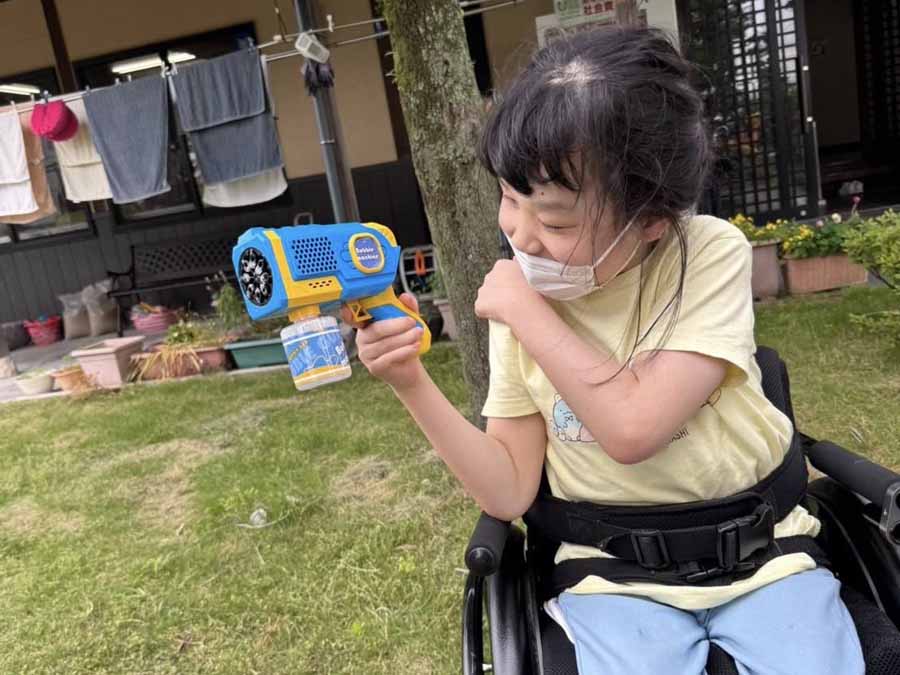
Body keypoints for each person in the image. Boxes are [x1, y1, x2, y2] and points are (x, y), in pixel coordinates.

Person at [342, 26, 863, 674]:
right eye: (508, 197)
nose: (520, 235)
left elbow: (634, 428)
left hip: (764, 554)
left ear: (652, 218)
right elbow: (507, 490)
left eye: (554, 219)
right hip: (609, 574)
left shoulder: (704, 255)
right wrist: (409, 379)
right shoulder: (520, 300)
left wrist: (528, 314)